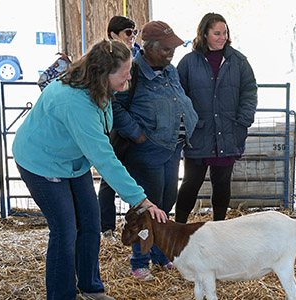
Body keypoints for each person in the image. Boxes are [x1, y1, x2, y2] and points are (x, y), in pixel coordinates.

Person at [13, 40, 168, 300]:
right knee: (65, 230)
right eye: (125, 72)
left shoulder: (98, 87)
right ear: (103, 73)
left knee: (90, 223)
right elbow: (104, 158)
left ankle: (90, 288)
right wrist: (140, 201)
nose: (130, 76)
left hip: (73, 161)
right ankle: (62, 295)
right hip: (42, 162)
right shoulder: (75, 102)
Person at [111, 20, 197, 281]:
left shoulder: (169, 70)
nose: (171, 53)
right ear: (148, 47)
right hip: (147, 150)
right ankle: (139, 260)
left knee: (165, 204)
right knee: (145, 208)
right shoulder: (133, 71)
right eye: (166, 48)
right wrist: (136, 132)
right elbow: (115, 105)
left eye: (173, 48)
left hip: (171, 147)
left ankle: (161, 255)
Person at [175, 13, 258, 223]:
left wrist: (243, 120)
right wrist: (187, 124)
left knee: (222, 182)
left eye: (225, 32)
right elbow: (178, 96)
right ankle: (178, 227)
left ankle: (219, 226)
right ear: (204, 34)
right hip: (199, 133)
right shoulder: (188, 62)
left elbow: (249, 91)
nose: (222, 37)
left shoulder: (238, 61)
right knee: (191, 182)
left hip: (228, 130)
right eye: (217, 33)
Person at [98, 15, 141, 244]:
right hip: (114, 126)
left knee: (137, 175)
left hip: (137, 125)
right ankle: (106, 228)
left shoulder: (140, 56)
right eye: (128, 32)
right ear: (114, 35)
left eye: (135, 32)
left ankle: (134, 228)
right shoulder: (105, 59)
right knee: (110, 177)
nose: (133, 36)